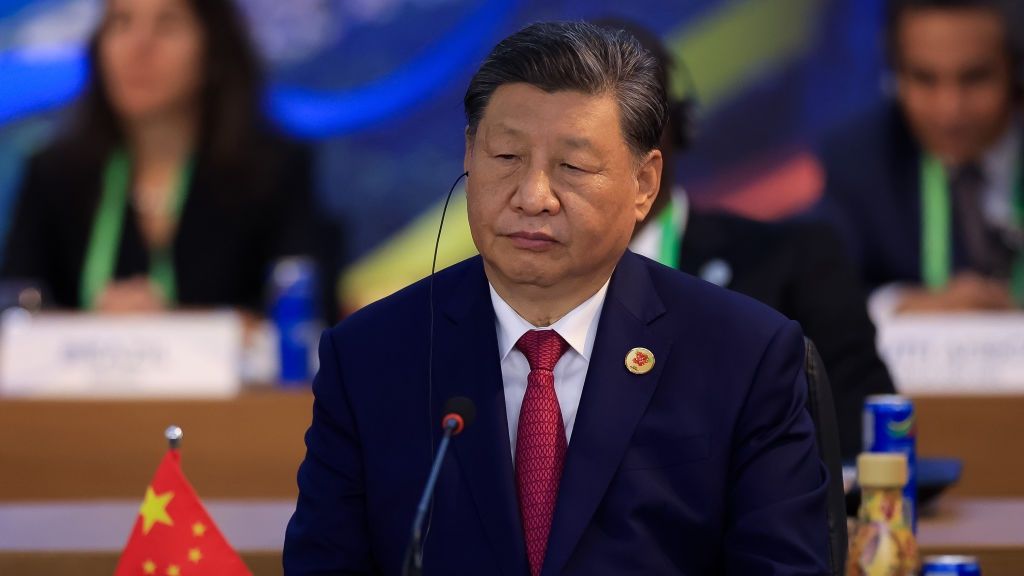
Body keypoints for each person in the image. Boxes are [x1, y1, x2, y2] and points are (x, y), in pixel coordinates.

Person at [284, 21, 828, 575]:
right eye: (506, 158)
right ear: (469, 156)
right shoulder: (371, 358)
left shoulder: (742, 355)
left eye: (571, 166)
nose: (533, 196)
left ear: (644, 184)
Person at [611, 19, 896, 459]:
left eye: (631, 123)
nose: (607, 152)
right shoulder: (507, 284)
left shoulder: (797, 263)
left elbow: (864, 436)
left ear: (679, 129)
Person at [0, 0, 330, 316]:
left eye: (167, 24)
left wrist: (171, 328)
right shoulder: (54, 174)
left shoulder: (272, 172)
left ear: (213, 49)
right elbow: (16, 310)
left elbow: (310, 316)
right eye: (121, 22)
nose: (139, 46)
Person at [818, 0, 1023, 315]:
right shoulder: (859, 158)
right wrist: (905, 306)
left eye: (975, 78)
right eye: (924, 79)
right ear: (894, 77)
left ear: (1016, 71)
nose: (950, 111)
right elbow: (817, 290)